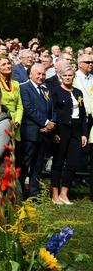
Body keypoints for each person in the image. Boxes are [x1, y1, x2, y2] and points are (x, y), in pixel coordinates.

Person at [51, 65, 88, 204]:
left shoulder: (78, 92)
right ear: (61, 76)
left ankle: (64, 193)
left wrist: (84, 133)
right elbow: (52, 112)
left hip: (76, 130)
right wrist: (54, 132)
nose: (67, 77)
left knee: (73, 162)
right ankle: (55, 194)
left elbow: (83, 114)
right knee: (58, 162)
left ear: (74, 77)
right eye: (65, 75)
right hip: (61, 130)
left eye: (70, 75)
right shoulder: (55, 91)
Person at [20, 63, 55, 198]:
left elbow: (52, 109)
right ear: (30, 74)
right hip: (30, 133)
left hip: (45, 133)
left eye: (43, 74)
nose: (41, 77)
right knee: (25, 164)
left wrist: (52, 123)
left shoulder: (46, 89)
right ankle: (21, 191)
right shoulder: (24, 88)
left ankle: (34, 192)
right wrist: (46, 122)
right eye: (38, 74)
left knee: (38, 164)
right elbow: (28, 109)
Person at [0, 53, 24, 143]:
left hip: (16, 126)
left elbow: (20, 106)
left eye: (9, 63)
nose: (8, 66)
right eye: (4, 64)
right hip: (1, 121)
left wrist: (17, 121)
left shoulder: (15, 83)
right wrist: (7, 120)